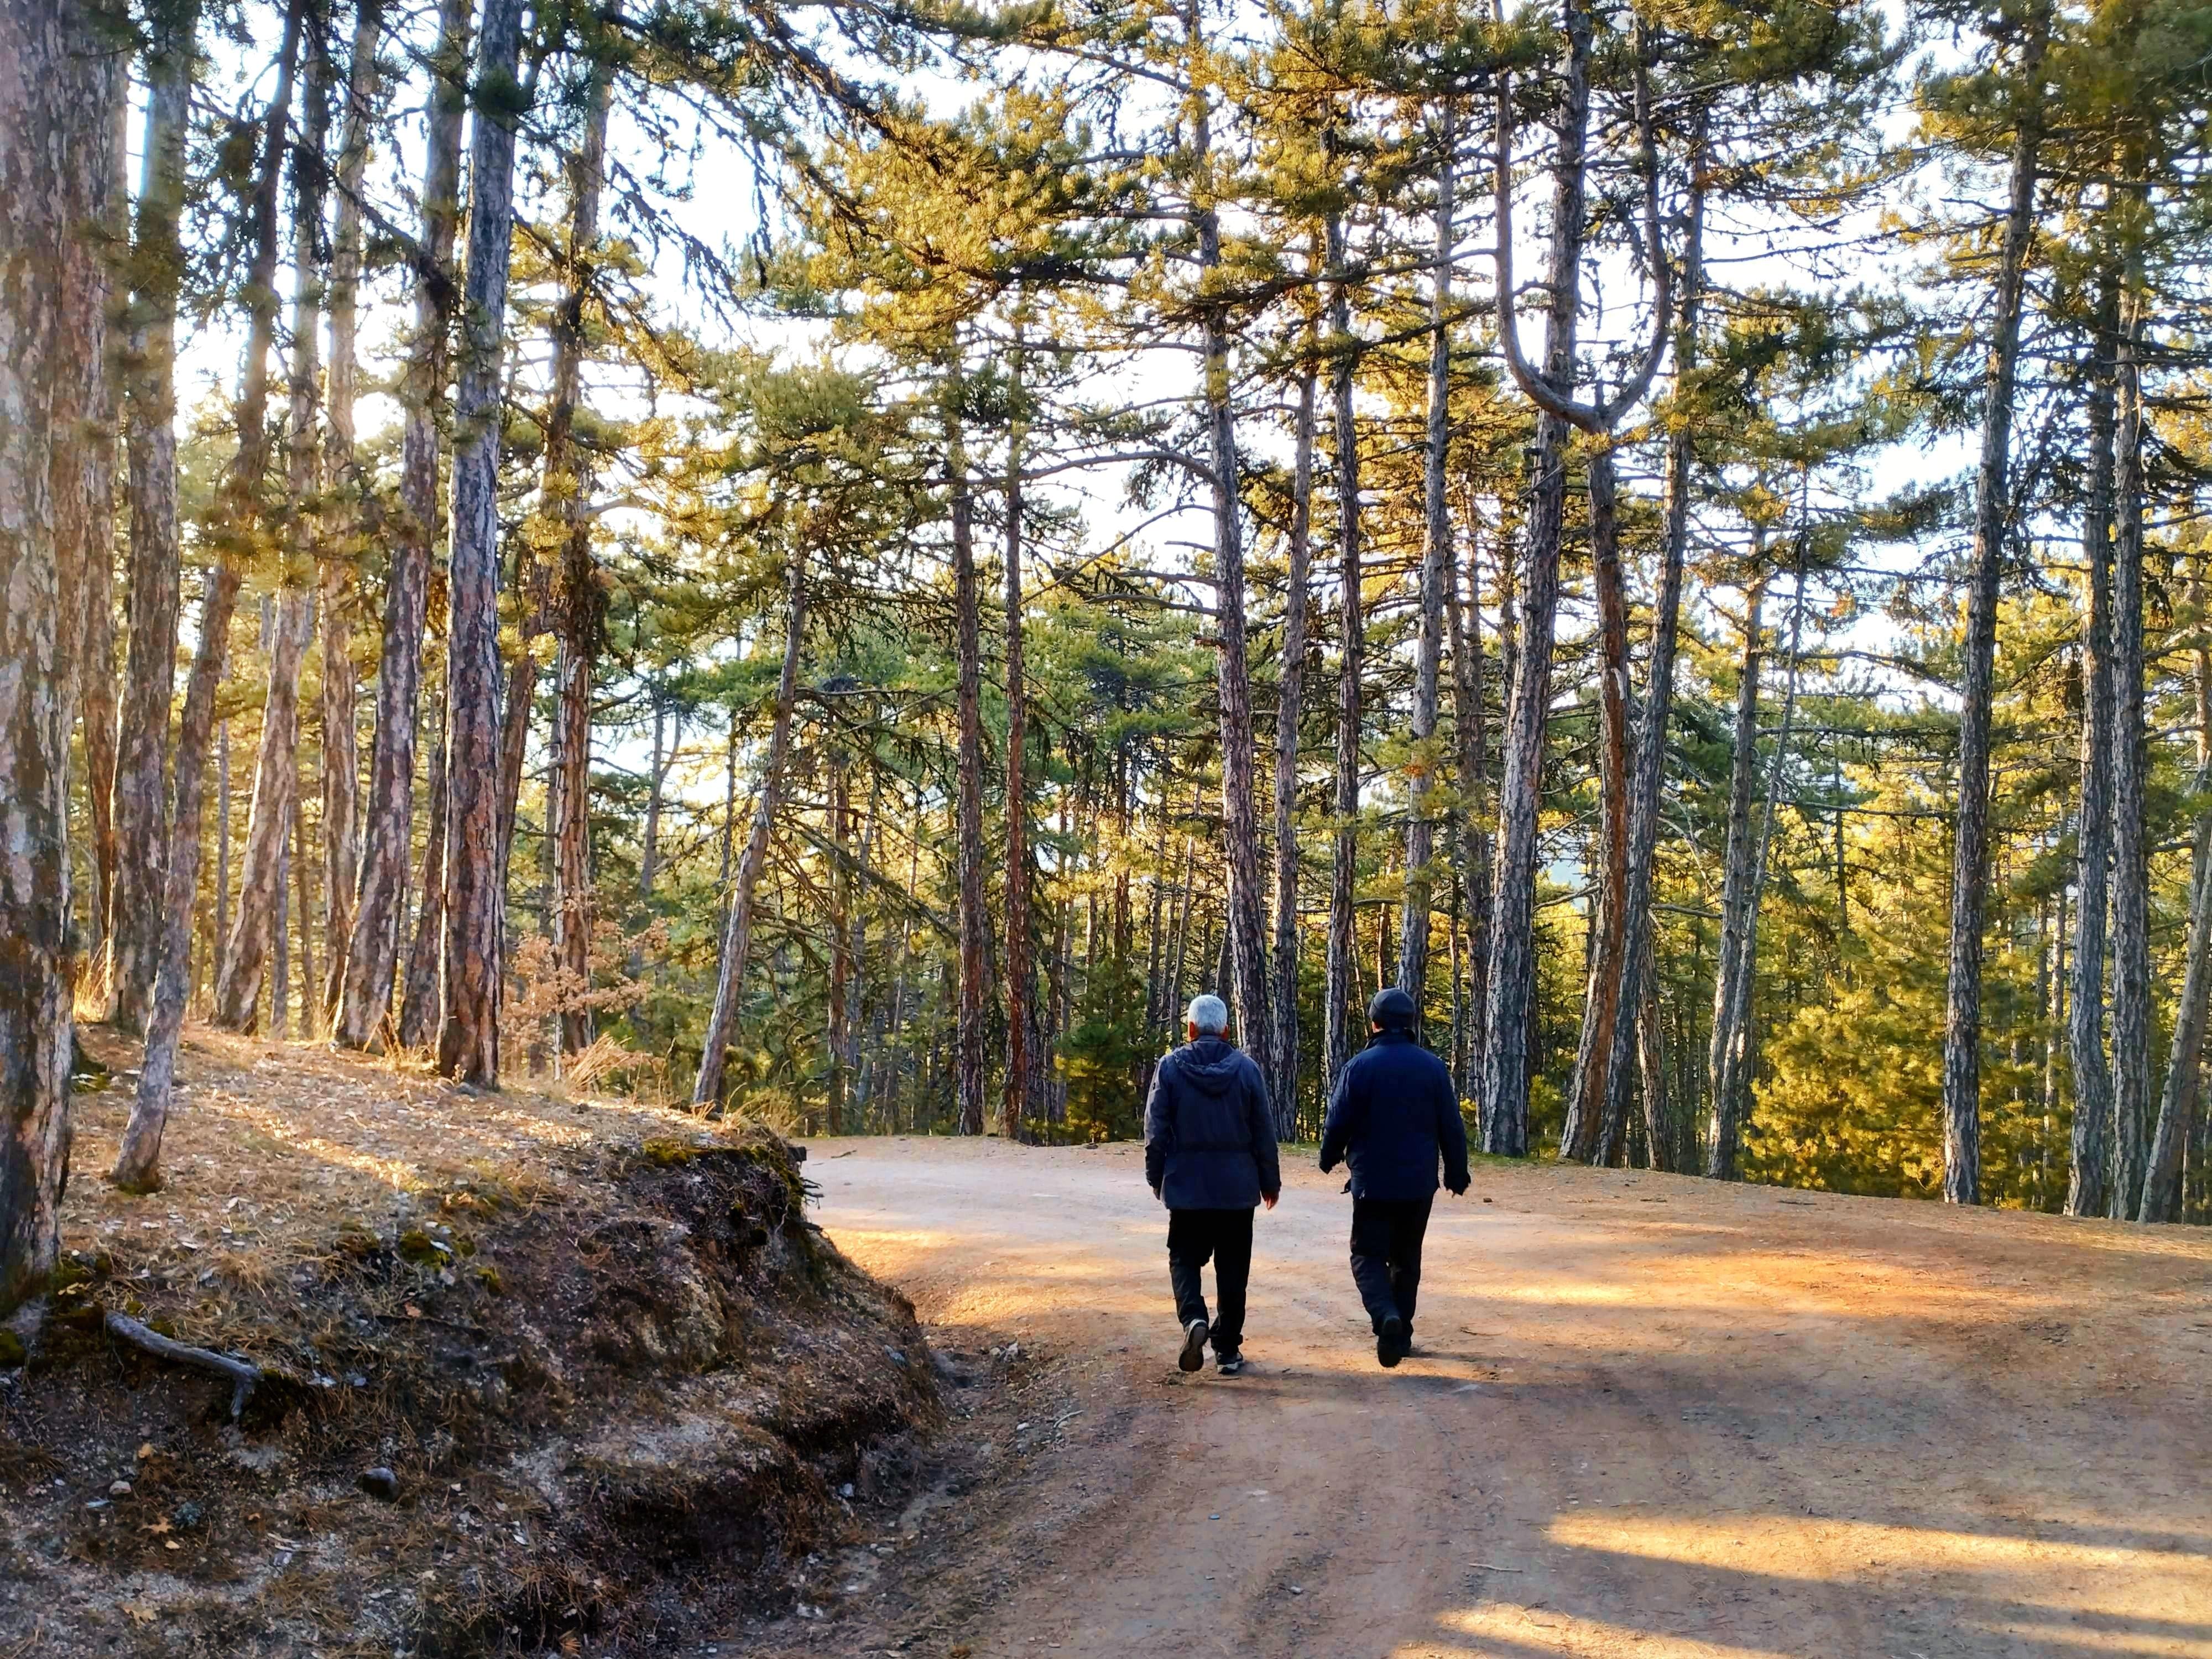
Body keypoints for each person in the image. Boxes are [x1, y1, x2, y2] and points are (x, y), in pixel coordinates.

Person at [1318, 986, 1470, 1368]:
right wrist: (1456, 1172)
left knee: (1367, 1255)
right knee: (1407, 1258)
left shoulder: (1360, 1067)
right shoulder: (1432, 1067)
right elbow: (1451, 1126)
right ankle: (1400, 1333)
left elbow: (1339, 1121)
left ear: (1375, 1023)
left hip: (1372, 1181)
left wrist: (1329, 1157)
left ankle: (1385, 1313)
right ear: (1410, 1023)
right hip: (1419, 1184)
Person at [1144, 993, 1281, 1376]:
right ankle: (1227, 1351)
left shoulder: (1169, 1068)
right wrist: (1270, 1182)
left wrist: (1157, 1176)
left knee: (1184, 1259)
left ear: (1189, 1029)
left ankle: (1193, 1320)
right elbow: (1263, 1132)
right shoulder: (1246, 1069)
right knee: (1234, 1269)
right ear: (1225, 1030)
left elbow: (1155, 1131)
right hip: (1237, 1189)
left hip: (1187, 1188)